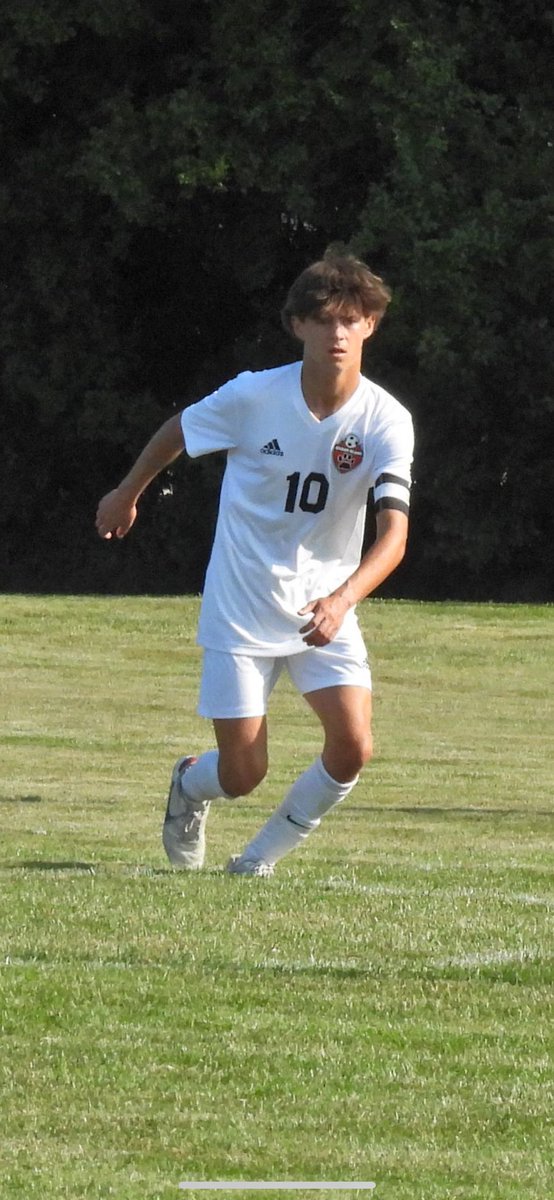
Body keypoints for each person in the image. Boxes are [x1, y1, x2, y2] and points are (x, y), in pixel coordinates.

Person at [95, 251, 414, 876]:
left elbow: (394, 536)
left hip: (324, 606)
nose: (338, 333)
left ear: (371, 325)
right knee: (244, 775)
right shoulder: (251, 395)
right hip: (241, 602)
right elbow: (177, 432)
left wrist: (342, 599)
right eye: (323, 320)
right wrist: (125, 493)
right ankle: (191, 784)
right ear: (298, 325)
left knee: (353, 747)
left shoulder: (387, 420)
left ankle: (258, 860)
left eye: (352, 320)